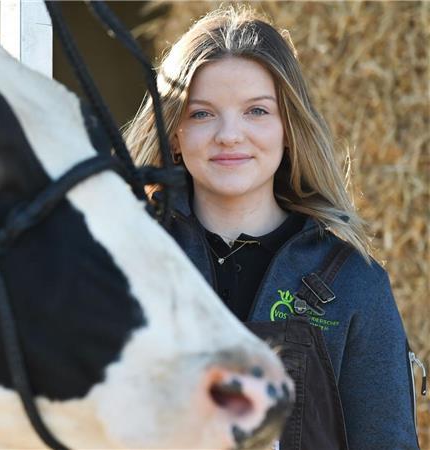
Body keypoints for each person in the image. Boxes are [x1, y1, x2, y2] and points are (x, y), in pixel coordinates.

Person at [124, 6, 422, 449]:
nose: (229, 134)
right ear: (174, 136)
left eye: (256, 111)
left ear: (288, 129)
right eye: (202, 113)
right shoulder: (123, 265)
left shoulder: (354, 285)